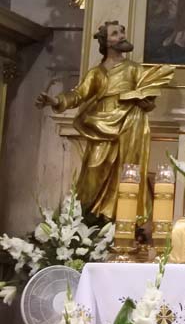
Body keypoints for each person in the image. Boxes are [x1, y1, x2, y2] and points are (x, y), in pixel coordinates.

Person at [36, 22, 174, 218]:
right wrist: (56, 100)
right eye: (115, 33)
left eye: (122, 32)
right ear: (106, 42)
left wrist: (145, 99)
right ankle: (84, 219)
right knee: (93, 170)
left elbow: (148, 98)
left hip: (130, 123)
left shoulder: (135, 69)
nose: (122, 36)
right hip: (101, 125)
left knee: (126, 171)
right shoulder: (96, 72)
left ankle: (121, 220)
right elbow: (79, 95)